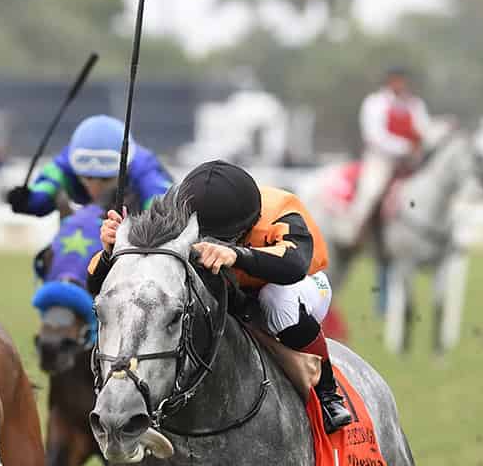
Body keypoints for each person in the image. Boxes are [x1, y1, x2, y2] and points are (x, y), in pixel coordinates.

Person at [92, 159, 353, 434]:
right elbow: (102, 287)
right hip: (233, 293)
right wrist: (113, 251)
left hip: (298, 285)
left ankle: (328, 393)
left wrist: (238, 255)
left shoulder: (280, 210)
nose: (211, 246)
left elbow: (295, 265)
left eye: (223, 240)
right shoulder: (178, 214)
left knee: (276, 301)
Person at [4, 114, 171, 217]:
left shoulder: (145, 168)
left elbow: (163, 206)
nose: (95, 188)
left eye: (105, 179)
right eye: (88, 178)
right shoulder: (65, 162)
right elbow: (46, 187)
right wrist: (29, 200)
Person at [346, 66, 432, 247]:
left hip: (411, 161)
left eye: (403, 81)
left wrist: (419, 147)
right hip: (382, 159)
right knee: (371, 191)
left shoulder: (415, 104)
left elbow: (424, 129)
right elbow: (374, 136)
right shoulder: (376, 103)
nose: (400, 84)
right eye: (396, 80)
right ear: (389, 81)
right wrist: (405, 147)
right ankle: (353, 231)